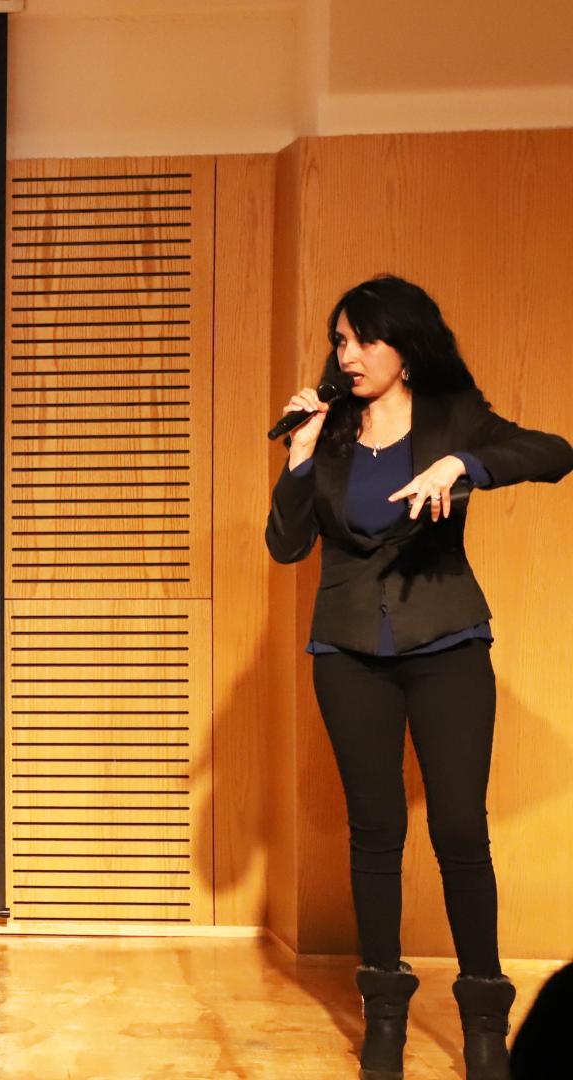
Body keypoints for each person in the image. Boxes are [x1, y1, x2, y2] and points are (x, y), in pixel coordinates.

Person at [265, 276, 572, 1080]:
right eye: (339, 340)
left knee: (461, 833)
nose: (349, 355)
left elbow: (553, 453)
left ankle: (482, 1021)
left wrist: (460, 464)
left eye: (365, 339)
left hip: (447, 644)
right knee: (376, 835)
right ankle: (385, 1018)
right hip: (349, 653)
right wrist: (300, 458)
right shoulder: (326, 432)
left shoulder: (450, 412)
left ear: (406, 345)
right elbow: (287, 546)